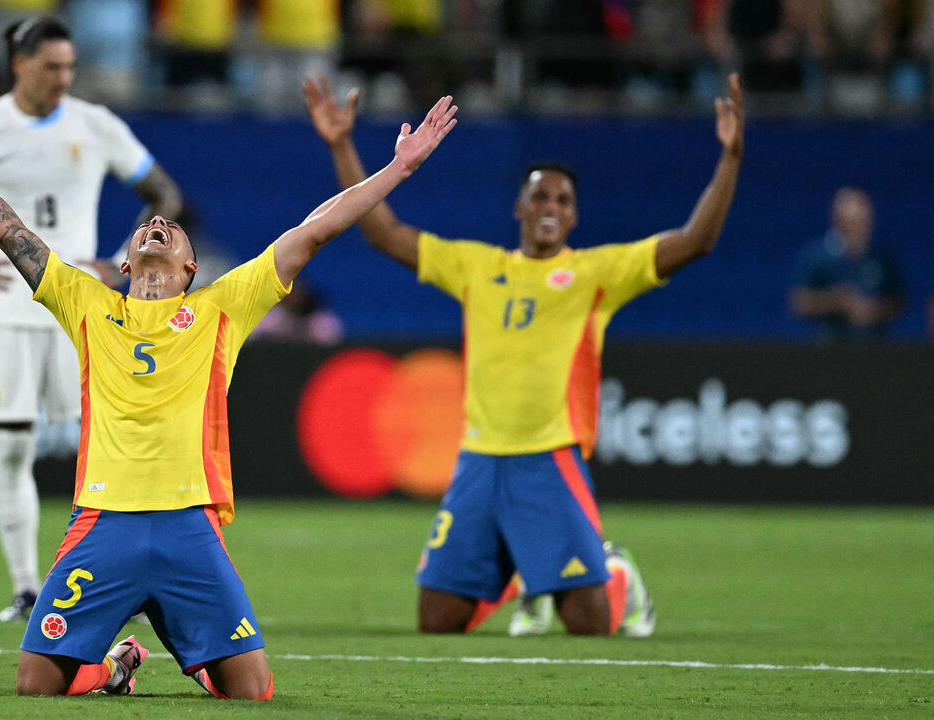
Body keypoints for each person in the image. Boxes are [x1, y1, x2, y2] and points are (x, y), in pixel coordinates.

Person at [0, 83, 457, 698]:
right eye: (148, 226)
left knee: (253, 693)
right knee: (34, 686)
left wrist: (399, 168)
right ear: (125, 263)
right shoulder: (84, 301)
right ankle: (114, 666)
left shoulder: (223, 308)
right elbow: (6, 226)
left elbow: (314, 230)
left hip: (190, 527)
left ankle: (187, 638)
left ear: (191, 267)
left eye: (171, 228)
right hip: (103, 521)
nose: (157, 224)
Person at [304, 72, 744, 637]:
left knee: (588, 626)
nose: (550, 205)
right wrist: (341, 143)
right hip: (478, 461)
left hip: (549, 459)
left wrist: (729, 158)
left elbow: (695, 240)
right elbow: (383, 233)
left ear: (575, 217)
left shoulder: (596, 275)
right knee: (436, 623)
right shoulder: (477, 266)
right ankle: (524, 573)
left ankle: (614, 574)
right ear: (518, 206)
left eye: (563, 199)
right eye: (540, 194)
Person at [0, 16, 183, 624]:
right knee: (13, 446)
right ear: (20, 65)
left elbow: (165, 195)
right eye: (52, 67)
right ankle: (25, 587)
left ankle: (110, 580)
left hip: (84, 311)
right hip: (8, 308)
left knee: (100, 447)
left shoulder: (96, 125)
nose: (63, 79)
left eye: (70, 67)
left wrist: (127, 255)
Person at [788, 187, 904, 342]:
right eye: (853, 221)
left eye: (864, 219)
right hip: (830, 346)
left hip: (874, 346)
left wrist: (873, 310)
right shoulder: (817, 257)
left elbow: (898, 302)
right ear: (837, 220)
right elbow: (799, 303)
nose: (860, 226)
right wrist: (838, 300)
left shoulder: (882, 257)